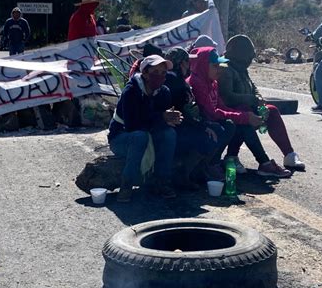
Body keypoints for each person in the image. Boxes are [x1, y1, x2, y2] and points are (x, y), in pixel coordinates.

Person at [188, 46, 291, 178]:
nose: (219, 69)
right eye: (215, 66)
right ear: (203, 66)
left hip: (212, 122)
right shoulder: (197, 83)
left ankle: (265, 161)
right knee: (232, 124)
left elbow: (222, 106)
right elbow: (213, 112)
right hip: (201, 125)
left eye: (219, 65)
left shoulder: (212, 82)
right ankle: (211, 164)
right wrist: (244, 117)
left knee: (239, 121)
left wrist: (247, 114)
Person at [218, 34, 305, 171]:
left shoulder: (242, 69)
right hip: (231, 112)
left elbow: (253, 88)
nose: (249, 59)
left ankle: (289, 154)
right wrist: (252, 100)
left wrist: (259, 99)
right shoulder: (225, 69)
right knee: (244, 113)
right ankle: (233, 156)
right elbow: (227, 97)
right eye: (248, 55)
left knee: (272, 110)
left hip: (248, 108)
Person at [108, 55, 179, 202]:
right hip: (122, 138)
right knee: (140, 136)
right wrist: (162, 117)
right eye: (156, 71)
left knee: (169, 134)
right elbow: (132, 125)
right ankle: (126, 185)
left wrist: (172, 119)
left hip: (148, 134)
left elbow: (160, 119)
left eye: (163, 73)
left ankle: (162, 181)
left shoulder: (164, 92)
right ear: (145, 73)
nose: (160, 76)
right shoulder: (131, 91)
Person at [164, 47, 234, 185]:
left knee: (220, 128)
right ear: (182, 63)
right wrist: (202, 127)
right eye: (187, 61)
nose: (189, 65)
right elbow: (182, 111)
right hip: (177, 125)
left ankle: (199, 169)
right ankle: (185, 175)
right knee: (210, 135)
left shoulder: (180, 79)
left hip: (186, 122)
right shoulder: (174, 80)